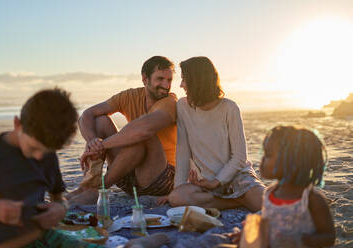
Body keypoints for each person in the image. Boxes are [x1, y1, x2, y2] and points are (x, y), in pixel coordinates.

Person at [0, 89, 101, 247]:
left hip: (42, 238)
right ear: (18, 124)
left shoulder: (48, 156)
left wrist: (60, 209)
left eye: (47, 151)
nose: (39, 157)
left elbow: (58, 198)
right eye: (34, 148)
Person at [67, 56, 177, 204]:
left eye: (169, 80)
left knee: (141, 136)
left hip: (160, 179)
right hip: (126, 175)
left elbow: (143, 131)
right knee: (100, 121)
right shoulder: (130, 96)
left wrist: (102, 144)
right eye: (160, 79)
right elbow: (86, 115)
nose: (166, 85)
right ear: (145, 79)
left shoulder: (170, 103)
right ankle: (88, 184)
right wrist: (92, 142)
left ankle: (98, 189)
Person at [160, 56, 264, 212]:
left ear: (198, 81)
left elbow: (240, 157)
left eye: (185, 80)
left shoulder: (230, 108)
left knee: (268, 206)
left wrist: (217, 181)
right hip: (206, 184)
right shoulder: (183, 106)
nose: (181, 85)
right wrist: (178, 188)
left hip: (238, 177)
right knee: (177, 198)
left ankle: (241, 196)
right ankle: (238, 201)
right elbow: (182, 152)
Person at [257, 125, 335, 247]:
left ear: (292, 161)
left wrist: (304, 241)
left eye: (268, 154)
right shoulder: (269, 193)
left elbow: (329, 236)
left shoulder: (311, 199)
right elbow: (267, 225)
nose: (262, 159)